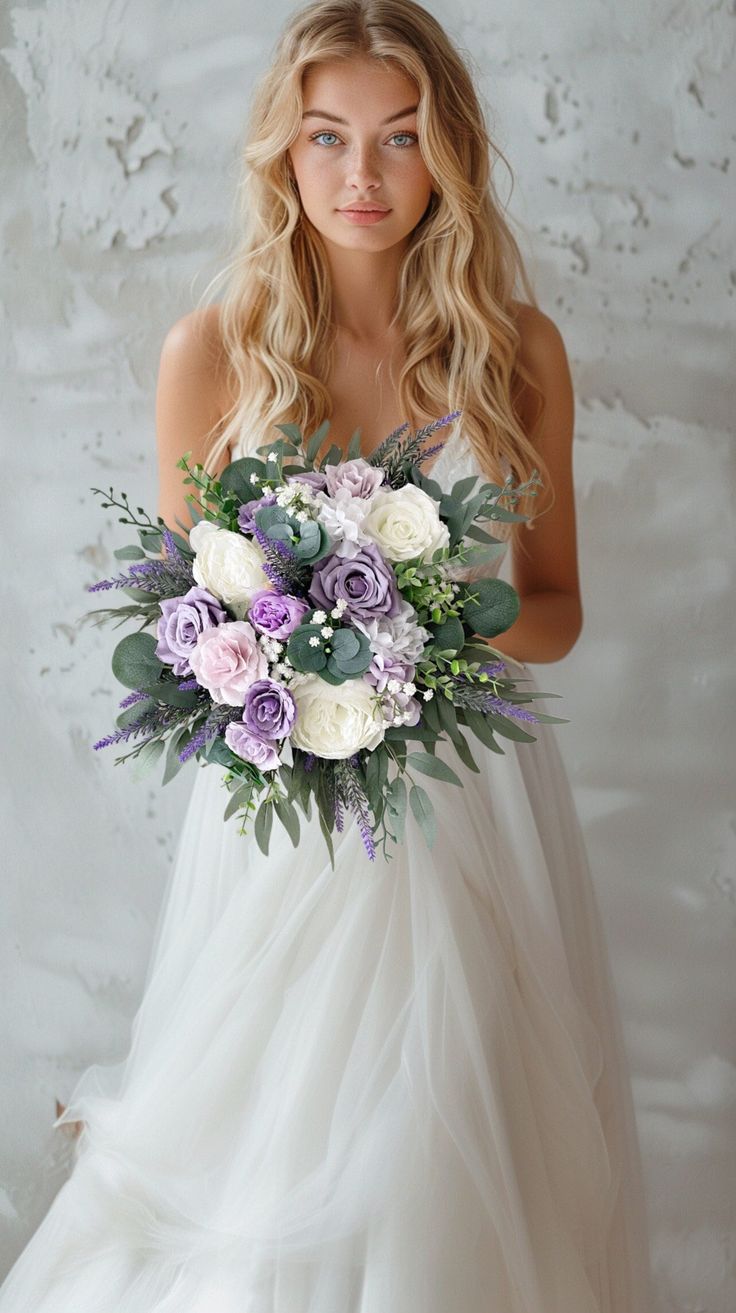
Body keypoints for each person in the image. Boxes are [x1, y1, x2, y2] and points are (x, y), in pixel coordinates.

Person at [0, 1, 654, 1309]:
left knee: (466, 1127)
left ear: (449, 156)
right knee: (272, 1141)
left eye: (402, 140)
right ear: (283, 158)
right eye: (329, 139)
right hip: (292, 825)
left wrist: (422, 606)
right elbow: (198, 637)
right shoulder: (218, 354)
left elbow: (558, 608)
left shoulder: (517, 354)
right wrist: (308, 639)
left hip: (479, 807)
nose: (364, 177)